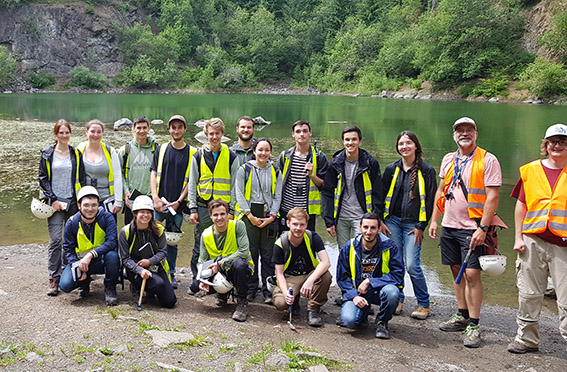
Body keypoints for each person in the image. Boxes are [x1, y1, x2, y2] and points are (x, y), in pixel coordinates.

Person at [428, 117, 502, 348]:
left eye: (469, 130)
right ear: (454, 135)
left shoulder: (487, 159)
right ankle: (461, 314)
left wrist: (483, 227)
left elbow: (492, 196)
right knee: (455, 270)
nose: (464, 133)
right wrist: (434, 220)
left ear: (476, 134)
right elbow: (441, 190)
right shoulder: (449, 159)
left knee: (472, 274)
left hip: (473, 227)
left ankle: (474, 324)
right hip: (449, 225)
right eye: (460, 130)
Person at [507, 123, 567, 354]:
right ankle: (527, 340)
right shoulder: (531, 170)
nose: (557, 146)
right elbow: (521, 206)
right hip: (532, 240)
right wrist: (518, 237)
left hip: (563, 244)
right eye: (552, 142)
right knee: (529, 294)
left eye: (562, 141)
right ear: (545, 145)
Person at [381, 131, 437, 320]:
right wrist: (381, 220)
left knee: (412, 265)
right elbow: (381, 196)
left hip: (414, 225)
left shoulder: (427, 170)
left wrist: (422, 225)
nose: (404, 147)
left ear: (416, 146)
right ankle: (398, 299)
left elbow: (430, 200)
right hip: (392, 222)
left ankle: (423, 303)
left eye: (408, 143)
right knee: (396, 262)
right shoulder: (391, 169)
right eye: (401, 144)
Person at [188, 118, 240, 294]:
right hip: (203, 207)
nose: (214, 137)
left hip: (223, 210)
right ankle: (200, 280)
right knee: (200, 244)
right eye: (211, 134)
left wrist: (232, 210)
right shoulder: (198, 156)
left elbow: (235, 185)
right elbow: (192, 184)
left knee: (224, 246)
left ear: (222, 134)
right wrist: (192, 209)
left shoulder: (231, 155)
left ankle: (222, 283)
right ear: (206, 135)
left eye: (217, 133)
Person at [336, 212, 404, 339]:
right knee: (349, 321)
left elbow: (398, 275)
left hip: (379, 291)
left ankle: (382, 321)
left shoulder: (389, 246)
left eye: (373, 228)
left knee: (392, 293)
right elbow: (342, 278)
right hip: (358, 292)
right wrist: (354, 296)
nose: (369, 231)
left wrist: (370, 281)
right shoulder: (349, 247)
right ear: (360, 227)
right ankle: (362, 314)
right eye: (366, 227)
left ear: (379, 229)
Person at [38, 119, 86, 296]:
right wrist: (52, 200)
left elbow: (82, 177)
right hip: (54, 203)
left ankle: (70, 271)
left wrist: (82, 199)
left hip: (73, 202)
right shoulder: (47, 154)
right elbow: (43, 179)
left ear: (70, 134)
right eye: (61, 133)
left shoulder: (76, 153)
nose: (64, 136)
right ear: (56, 134)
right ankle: (53, 277)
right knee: (56, 240)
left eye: (67, 133)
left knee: (72, 239)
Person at [150, 114, 196, 289]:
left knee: (172, 240)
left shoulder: (192, 153)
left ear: (185, 129)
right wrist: (155, 198)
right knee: (156, 238)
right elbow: (153, 173)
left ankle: (171, 273)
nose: (176, 130)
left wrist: (178, 201)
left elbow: (192, 180)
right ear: (169, 129)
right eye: (173, 127)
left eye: (179, 127)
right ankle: (156, 270)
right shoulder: (161, 149)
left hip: (178, 206)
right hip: (160, 204)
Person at [235, 138, 282, 304]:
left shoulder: (275, 170)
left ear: (270, 152)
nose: (263, 153)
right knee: (251, 253)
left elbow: (278, 196)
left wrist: (272, 216)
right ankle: (251, 288)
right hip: (249, 216)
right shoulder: (244, 169)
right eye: (260, 150)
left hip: (268, 215)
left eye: (267, 150)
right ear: (254, 151)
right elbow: (239, 193)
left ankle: (268, 290)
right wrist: (249, 215)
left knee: (268, 254)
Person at [322, 125, 383, 250]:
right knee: (344, 253)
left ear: (360, 141)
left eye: (354, 139)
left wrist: (377, 218)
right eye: (347, 140)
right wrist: (329, 221)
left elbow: (378, 193)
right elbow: (327, 192)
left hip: (362, 218)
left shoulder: (370, 163)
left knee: (361, 253)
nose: (350, 143)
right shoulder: (335, 163)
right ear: (343, 141)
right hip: (341, 218)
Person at [59, 186, 120, 306]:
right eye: (86, 205)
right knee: (65, 286)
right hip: (81, 263)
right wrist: (76, 265)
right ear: (79, 206)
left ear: (98, 205)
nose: (90, 209)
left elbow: (112, 242)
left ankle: (110, 287)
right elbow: (68, 248)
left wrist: (91, 254)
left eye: (94, 205)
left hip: (101, 260)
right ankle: (84, 282)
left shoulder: (107, 218)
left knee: (113, 256)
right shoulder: (72, 223)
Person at [272, 207, 332, 327]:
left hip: (309, 273)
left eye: (302, 225)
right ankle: (294, 300)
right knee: (280, 303)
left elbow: (326, 262)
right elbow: (279, 273)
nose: (298, 228)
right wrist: (285, 293)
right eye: (295, 224)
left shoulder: (313, 237)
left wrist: (310, 281)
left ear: (306, 225)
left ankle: (314, 309)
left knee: (326, 275)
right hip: (291, 276)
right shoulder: (280, 243)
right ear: (288, 223)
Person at [196, 199, 254, 322]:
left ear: (228, 215)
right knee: (196, 285)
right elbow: (202, 260)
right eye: (215, 215)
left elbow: (243, 251)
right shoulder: (205, 234)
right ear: (210, 216)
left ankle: (242, 302)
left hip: (237, 268)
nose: (219, 218)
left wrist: (220, 263)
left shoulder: (238, 225)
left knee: (239, 265)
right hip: (219, 271)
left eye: (222, 214)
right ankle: (222, 294)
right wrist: (203, 279)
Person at [119, 195, 176, 308]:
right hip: (135, 268)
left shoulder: (159, 230)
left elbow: (163, 252)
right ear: (135, 213)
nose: (145, 215)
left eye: (148, 212)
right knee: (158, 284)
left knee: (169, 302)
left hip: (155, 266)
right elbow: (125, 258)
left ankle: (150, 289)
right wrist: (140, 270)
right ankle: (136, 286)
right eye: (142, 212)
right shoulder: (125, 232)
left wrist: (149, 262)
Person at [278, 120, 328, 231]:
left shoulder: (319, 157)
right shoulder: (285, 156)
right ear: (293, 134)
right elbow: (276, 181)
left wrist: (312, 175)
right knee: (285, 241)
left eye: (305, 131)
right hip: (286, 208)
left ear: (310, 133)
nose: (302, 134)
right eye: (298, 131)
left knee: (307, 242)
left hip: (307, 210)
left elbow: (324, 185)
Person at [77, 119, 123, 216]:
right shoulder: (79, 150)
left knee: (108, 229)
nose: (95, 135)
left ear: (102, 133)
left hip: (107, 200)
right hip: (86, 202)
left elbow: (117, 177)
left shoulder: (110, 151)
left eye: (99, 132)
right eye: (92, 131)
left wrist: (118, 201)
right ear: (86, 131)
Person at [118, 115, 158, 225]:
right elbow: (118, 174)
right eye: (139, 128)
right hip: (132, 197)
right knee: (130, 231)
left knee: (151, 231)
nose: (142, 131)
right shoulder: (125, 150)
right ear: (133, 129)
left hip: (150, 198)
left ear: (149, 129)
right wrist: (125, 192)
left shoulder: (156, 149)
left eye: (144, 128)